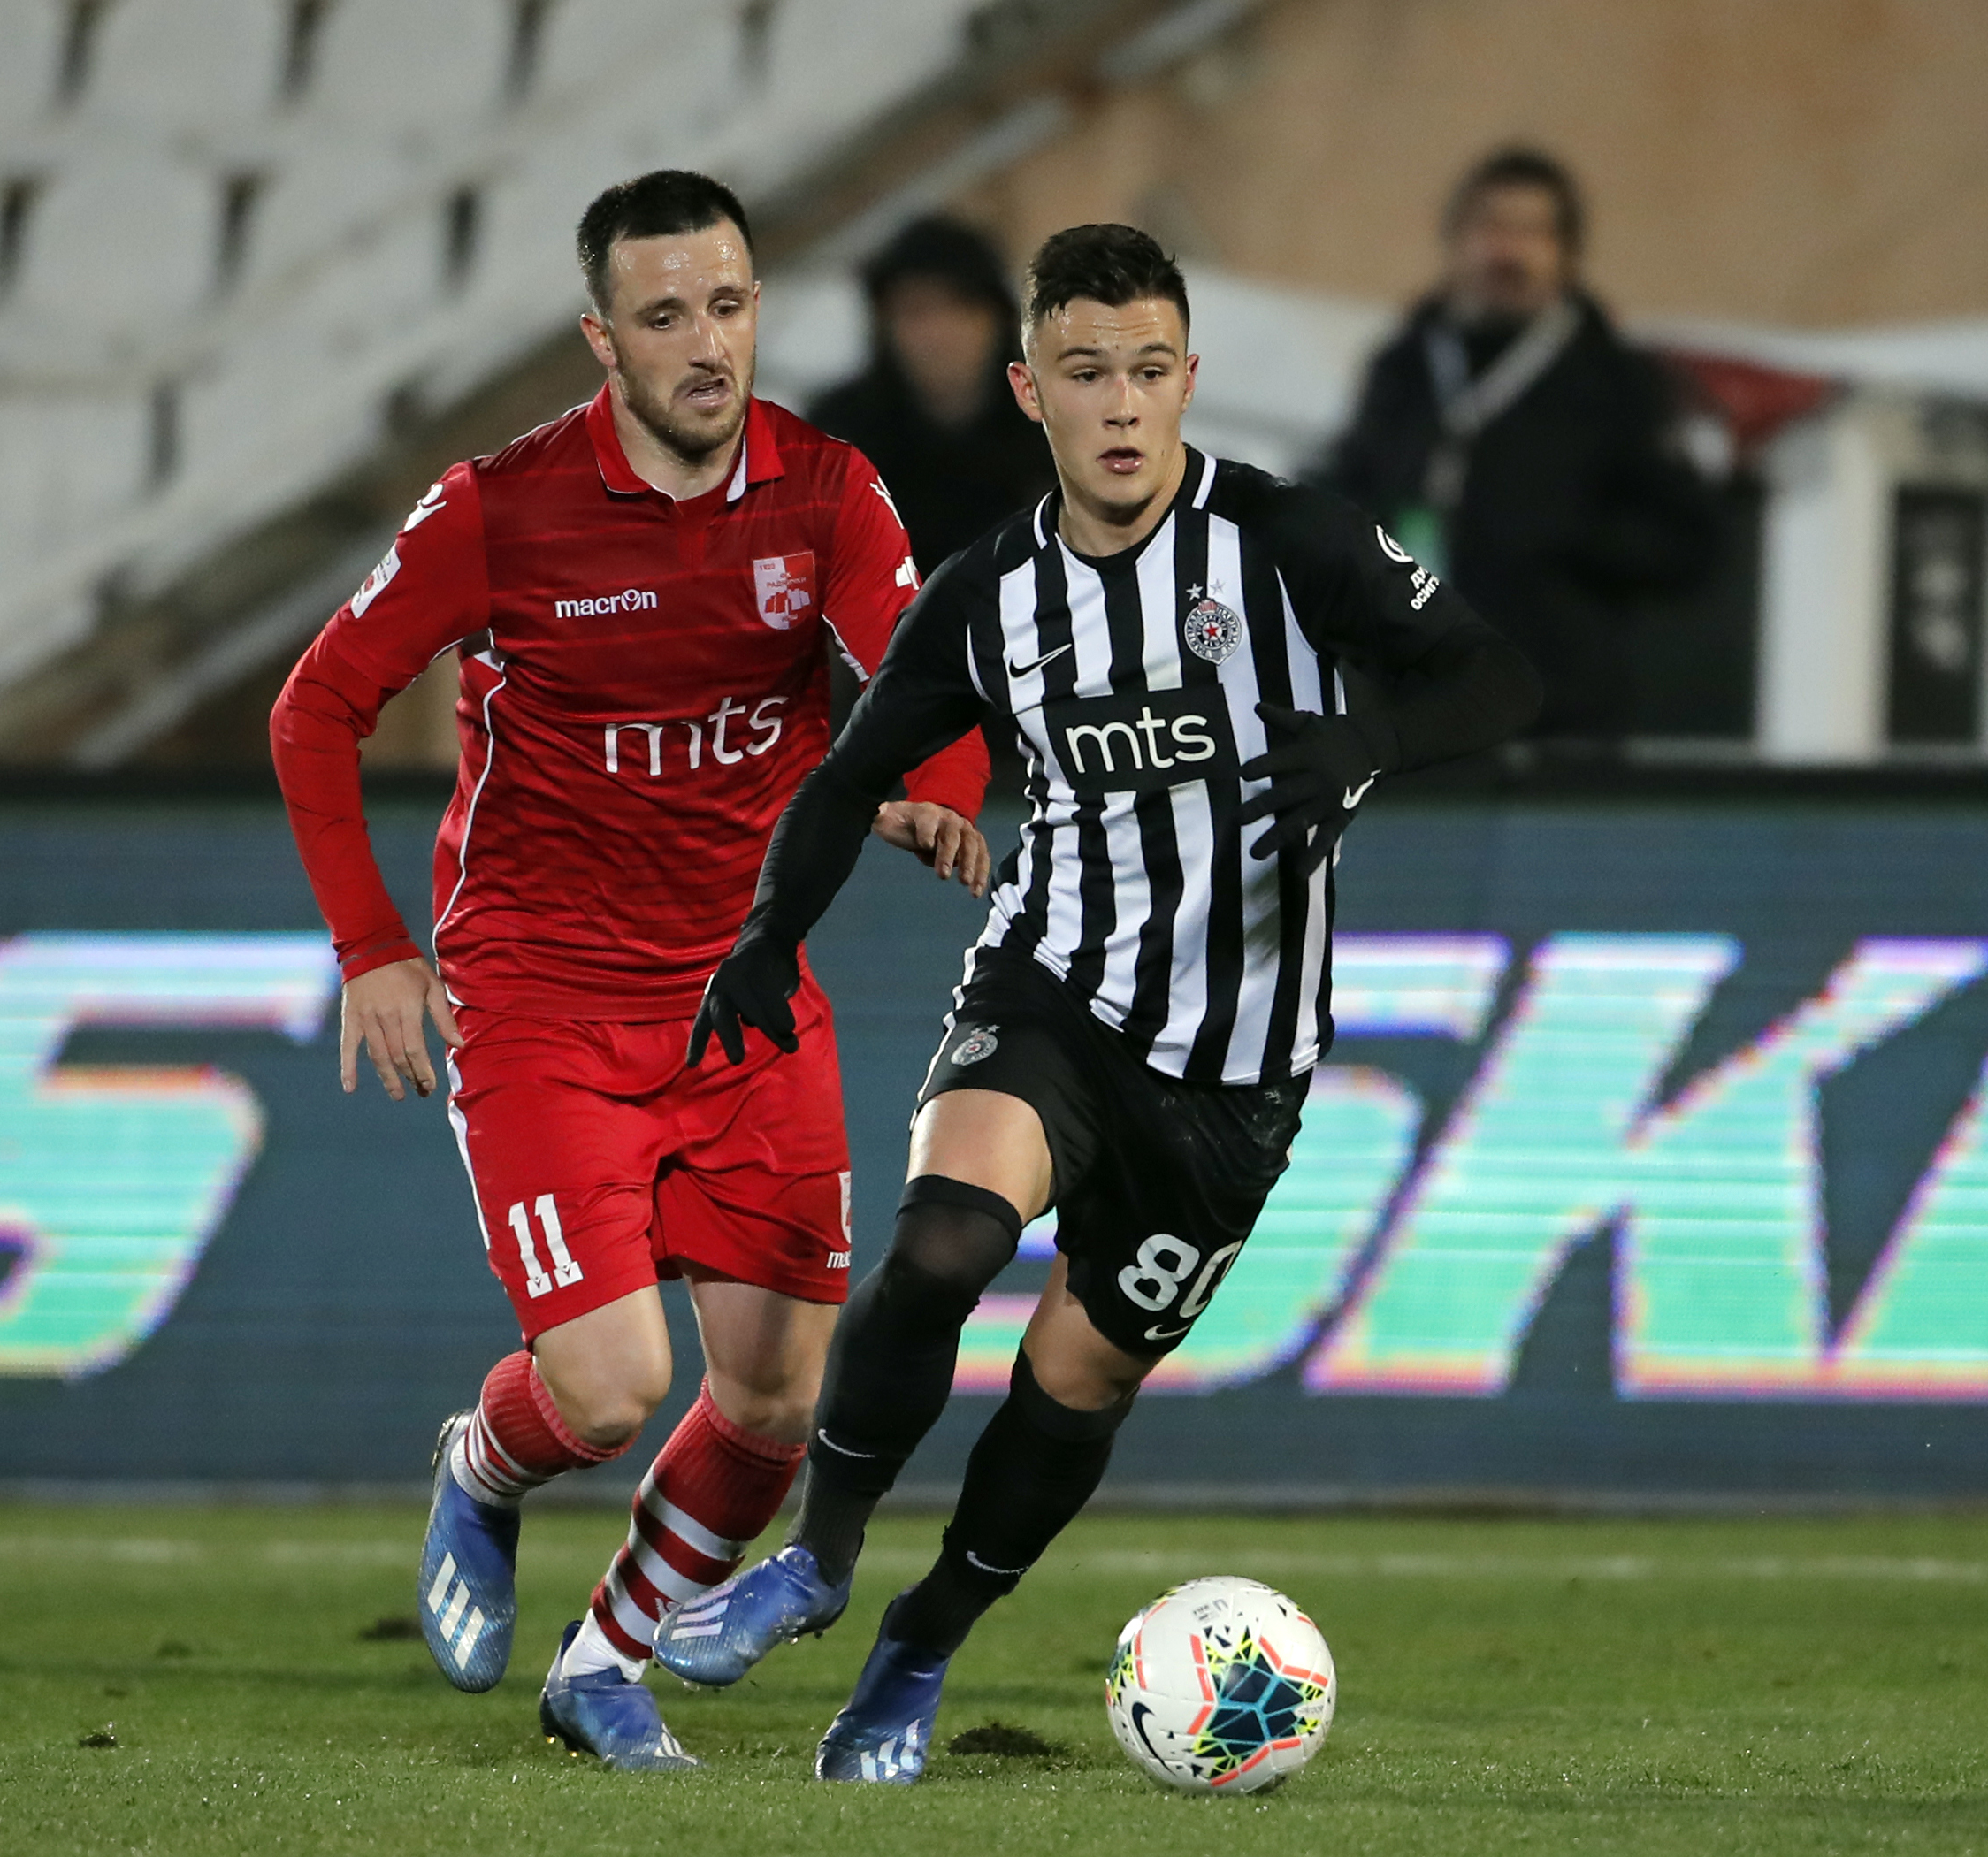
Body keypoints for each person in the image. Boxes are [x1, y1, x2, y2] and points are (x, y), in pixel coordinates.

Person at [657, 224, 1540, 1782]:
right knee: (941, 1243)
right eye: (1086, 374)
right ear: (1030, 390)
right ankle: (819, 1557)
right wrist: (763, 943)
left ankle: (915, 1653)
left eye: (1148, 372)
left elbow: (1491, 679)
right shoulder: (990, 597)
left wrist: (1359, 747)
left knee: (1079, 1379)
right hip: (1056, 981)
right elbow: (847, 775)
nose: (1122, 406)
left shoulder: (1288, 544)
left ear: (1189, 380)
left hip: (1237, 1071)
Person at [267, 169, 991, 1771]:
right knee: (606, 1388)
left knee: (776, 1399)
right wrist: (373, 950)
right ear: (601, 338)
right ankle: (484, 1463)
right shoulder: (497, 510)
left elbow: (930, 668)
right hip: (540, 998)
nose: (706, 344)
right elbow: (313, 706)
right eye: (664, 316)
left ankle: (602, 1667)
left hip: (739, 993)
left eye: (728, 306)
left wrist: (939, 792)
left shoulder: (828, 494)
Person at [1311, 145, 1714, 737]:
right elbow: (1355, 489)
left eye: (1533, 232)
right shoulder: (1402, 371)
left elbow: (1690, 541)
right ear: (1454, 243)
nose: (1508, 250)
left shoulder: (1614, 380)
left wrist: (1566, 541)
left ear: (1567, 256)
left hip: (1559, 718)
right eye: (1491, 227)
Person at [808, 216, 1055, 578]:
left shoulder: (1054, 424)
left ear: (998, 319)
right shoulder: (840, 440)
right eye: (917, 312)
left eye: (959, 310)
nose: (939, 335)